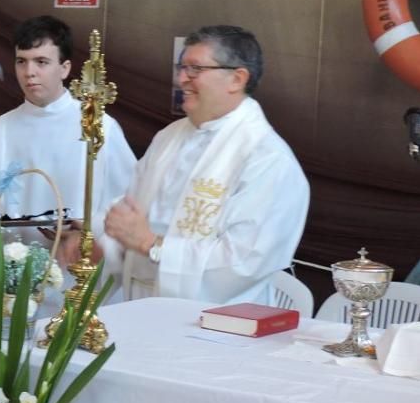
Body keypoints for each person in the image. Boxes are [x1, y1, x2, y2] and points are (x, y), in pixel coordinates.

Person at [101, 25, 309, 305]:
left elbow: (245, 261)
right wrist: (103, 245)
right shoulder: (168, 137)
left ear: (236, 79)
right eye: (181, 67)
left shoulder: (267, 157)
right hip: (141, 304)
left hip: (219, 327)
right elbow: (133, 212)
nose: (181, 79)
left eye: (195, 69)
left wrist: (151, 244)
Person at [0, 16, 136, 300]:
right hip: (13, 280)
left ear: (65, 68)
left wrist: (89, 232)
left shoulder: (98, 125)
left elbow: (129, 204)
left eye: (41, 62)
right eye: (22, 61)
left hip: (74, 277)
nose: (29, 72)